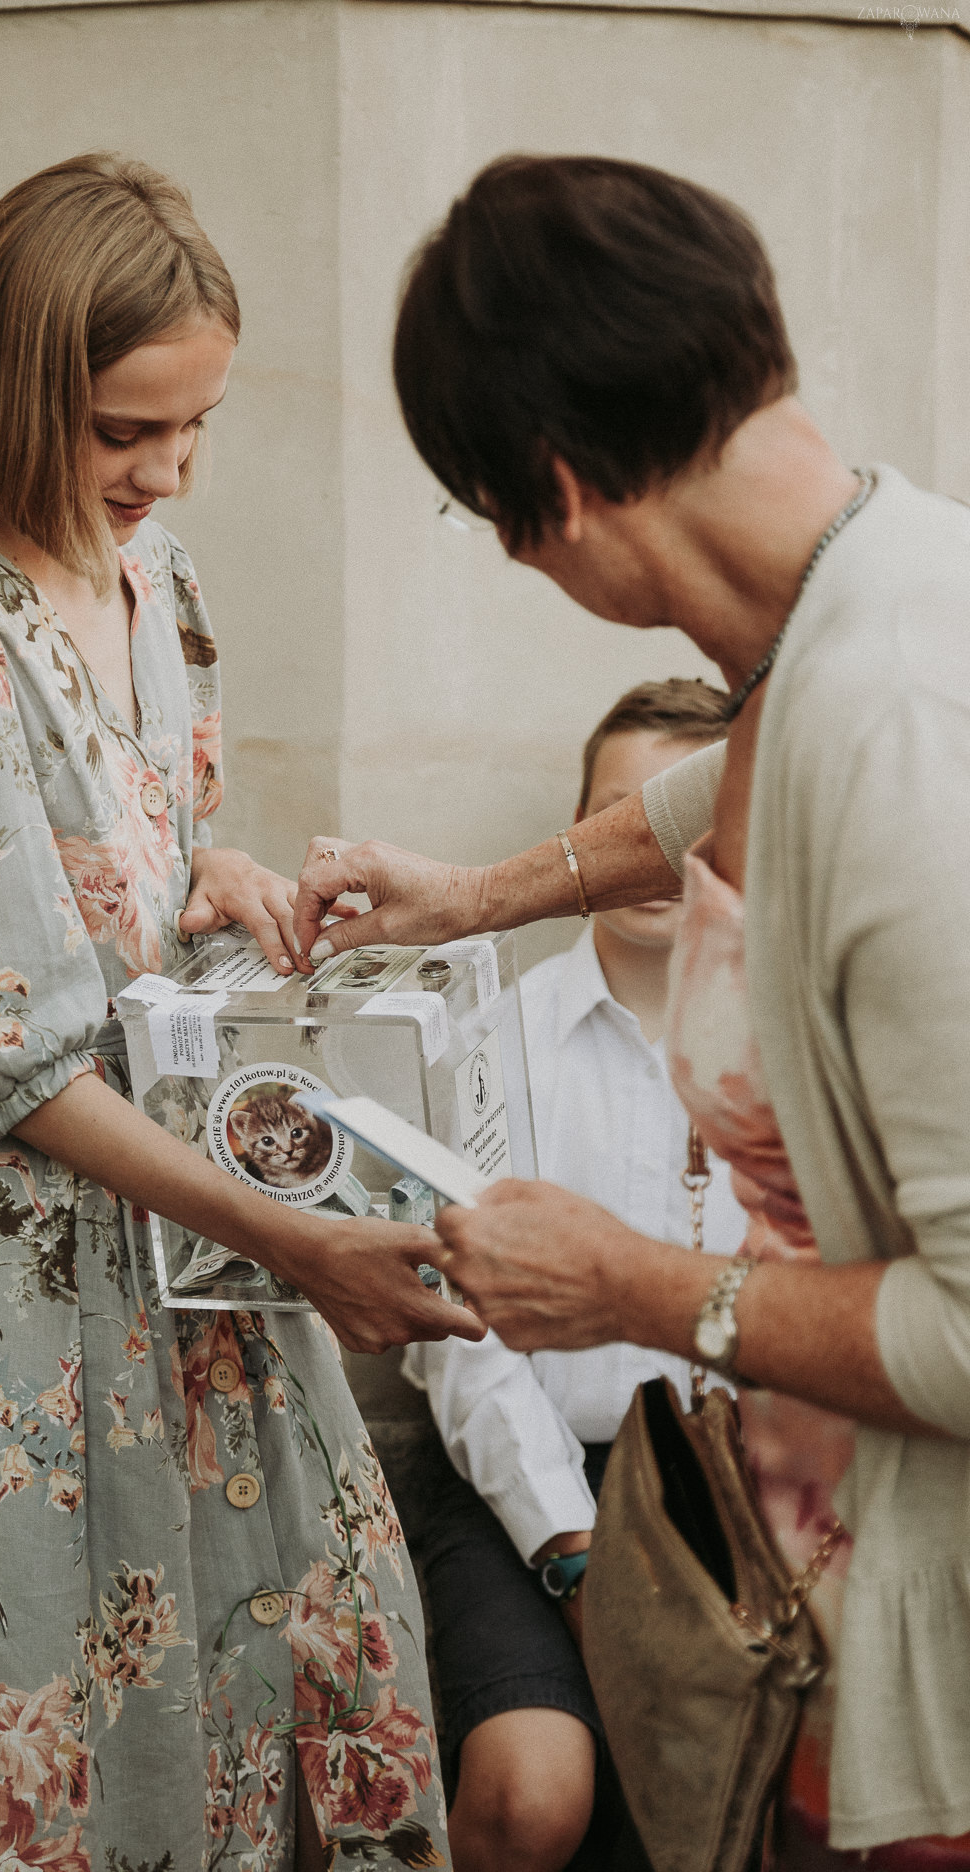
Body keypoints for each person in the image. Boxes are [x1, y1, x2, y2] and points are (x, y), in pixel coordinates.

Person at [292, 156, 970, 1861]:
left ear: (559, 494)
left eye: (486, 521)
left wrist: (628, 1285)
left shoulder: (894, 732)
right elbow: (712, 781)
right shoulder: (856, 586)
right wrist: (471, 893)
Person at [0, 153, 482, 1872]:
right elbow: (10, 1056)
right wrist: (295, 1236)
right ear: (16, 386)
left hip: (215, 1246)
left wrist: (220, 884)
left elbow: (124, 867)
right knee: (110, 1732)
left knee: (303, 1675)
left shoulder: (160, 584)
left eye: (193, 428)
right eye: (127, 430)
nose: (166, 470)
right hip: (58, 1278)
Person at [403, 680, 746, 1872]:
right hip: (527, 1481)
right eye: (621, 822)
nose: (651, 859)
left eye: (683, 825)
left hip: (743, 1489)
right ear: (583, 841)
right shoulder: (493, 1039)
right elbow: (454, 1330)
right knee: (530, 1793)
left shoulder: (789, 1046)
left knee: (740, 1796)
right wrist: (571, 1546)